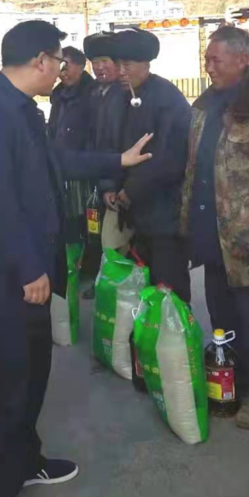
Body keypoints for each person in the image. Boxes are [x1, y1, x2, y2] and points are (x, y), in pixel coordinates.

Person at [0, 20, 153, 497]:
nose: (60, 68)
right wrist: (28, 266)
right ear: (40, 60)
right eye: (57, 59)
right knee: (2, 391)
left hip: (22, 275)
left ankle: (24, 462)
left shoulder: (17, 108)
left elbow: (55, 161)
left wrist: (117, 160)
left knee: (29, 379)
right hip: (1, 281)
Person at [180, 27, 249, 429]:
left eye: (215, 60)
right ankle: (230, 382)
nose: (208, 67)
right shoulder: (204, 104)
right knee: (221, 317)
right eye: (206, 59)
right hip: (210, 234)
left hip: (247, 241)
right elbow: (194, 168)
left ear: (242, 60)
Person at [112, 27, 193, 302]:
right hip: (138, 213)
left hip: (165, 214)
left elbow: (169, 158)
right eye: (118, 64)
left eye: (127, 65)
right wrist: (113, 186)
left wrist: (130, 191)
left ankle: (176, 329)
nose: (120, 72)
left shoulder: (167, 98)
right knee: (144, 287)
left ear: (146, 63)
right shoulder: (125, 96)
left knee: (169, 288)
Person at [84, 32, 130, 296]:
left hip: (116, 181)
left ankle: (116, 292)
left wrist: (110, 184)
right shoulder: (95, 93)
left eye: (104, 61)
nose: (99, 67)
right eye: (94, 62)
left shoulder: (122, 94)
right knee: (100, 236)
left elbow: (115, 142)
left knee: (116, 241)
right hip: (100, 176)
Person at [48, 45, 96, 244]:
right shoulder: (58, 95)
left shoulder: (93, 93)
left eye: (66, 66)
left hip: (85, 169)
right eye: (60, 67)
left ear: (81, 66)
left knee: (85, 221)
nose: (62, 73)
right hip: (60, 167)